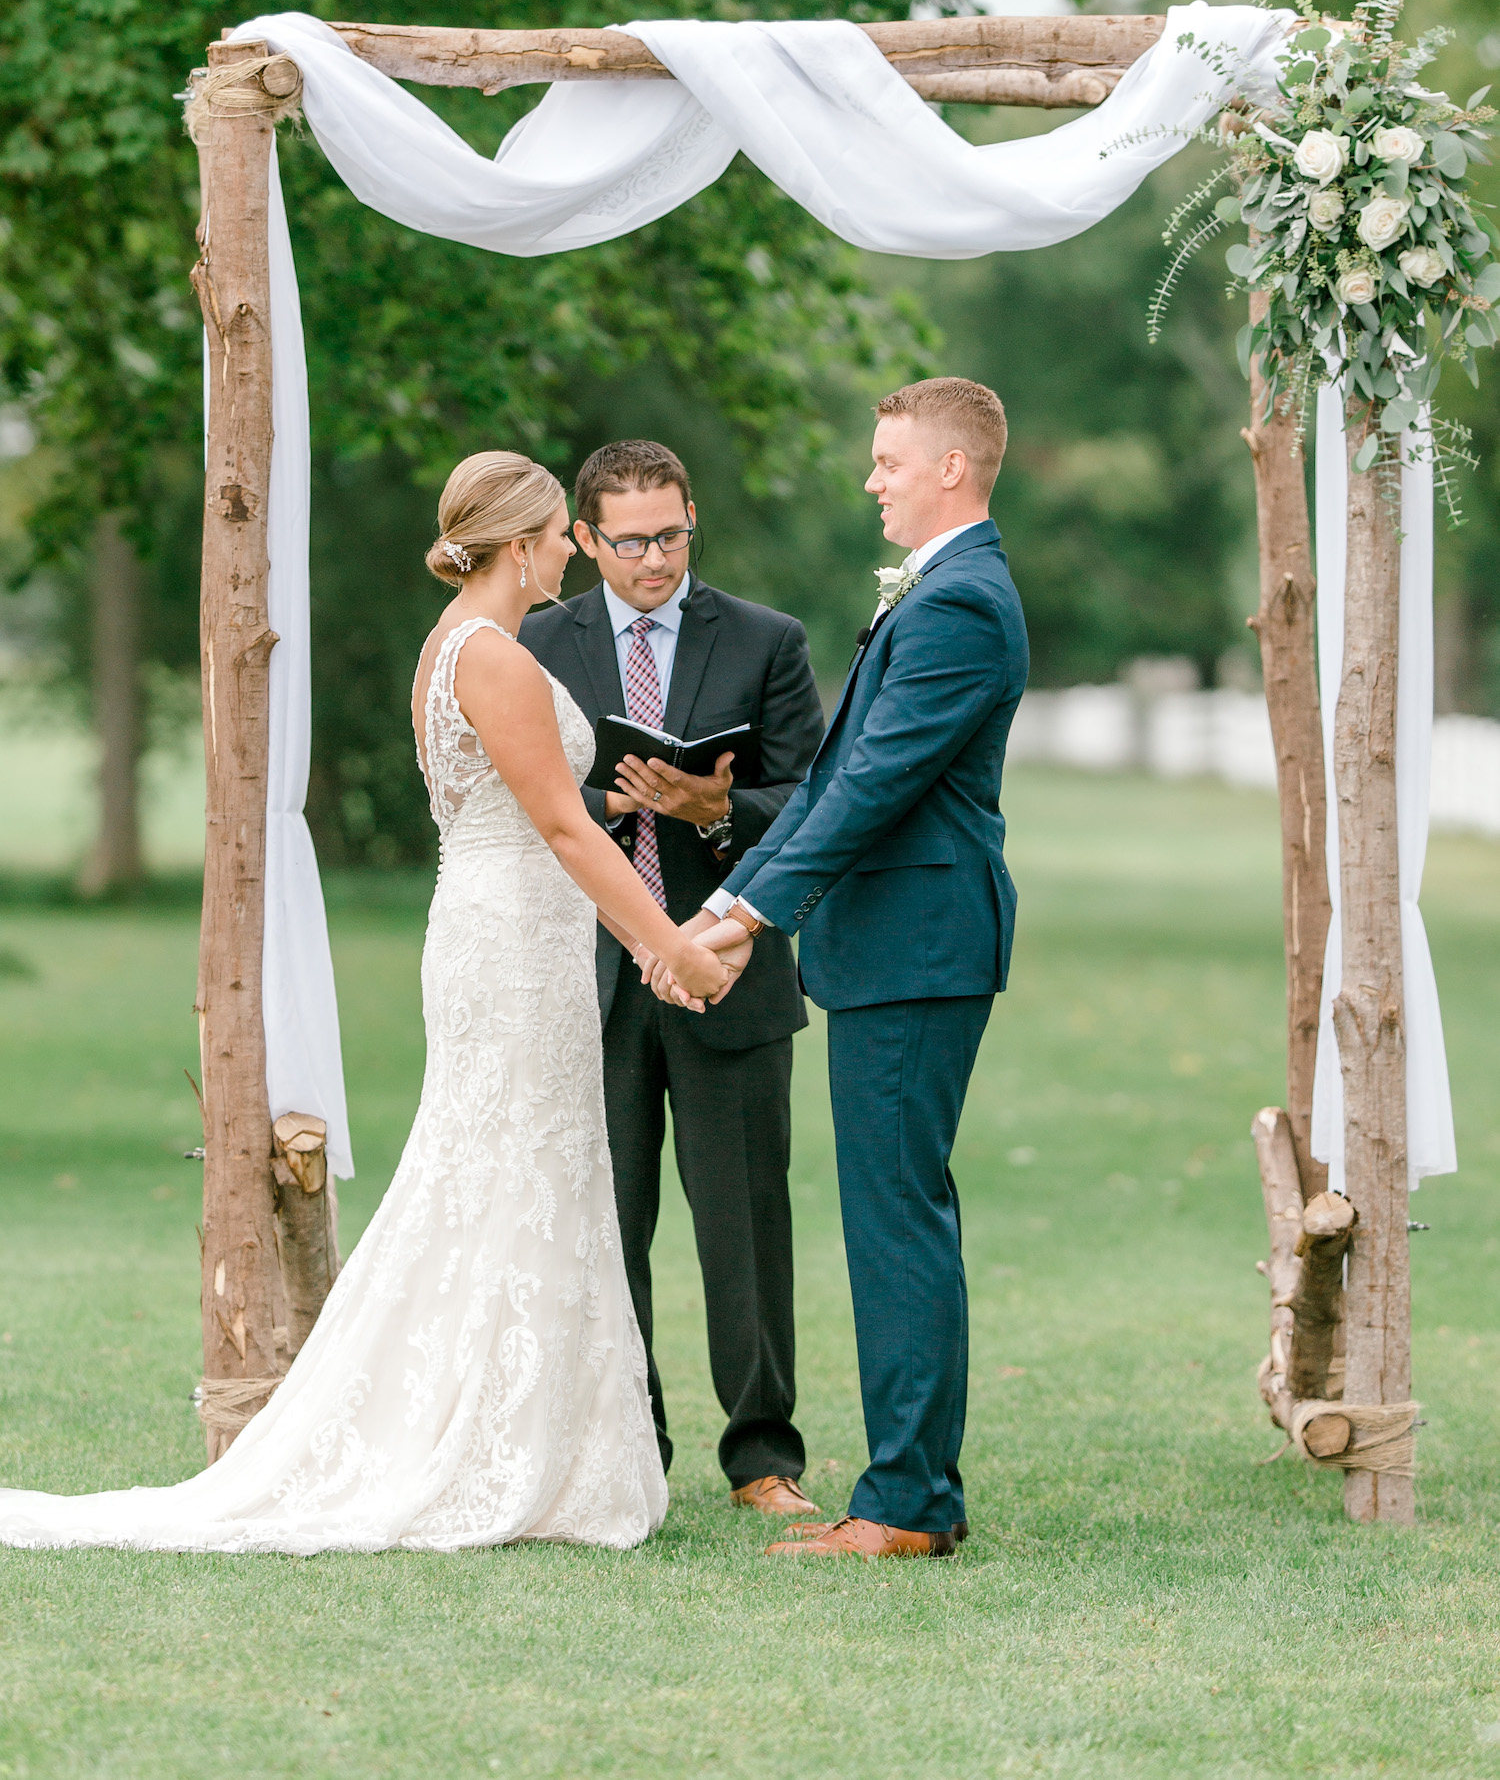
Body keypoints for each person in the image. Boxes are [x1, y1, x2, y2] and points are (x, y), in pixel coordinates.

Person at [0, 451, 736, 1555]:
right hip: (509, 944)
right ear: (525, 540)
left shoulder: (459, 647)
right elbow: (565, 824)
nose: (568, 556)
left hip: (513, 930)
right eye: (558, 537)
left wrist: (641, 935)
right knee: (507, 1169)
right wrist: (668, 941)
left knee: (522, 1171)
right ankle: (483, 1449)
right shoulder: (487, 656)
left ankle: (532, 1440)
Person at [663, 378, 1029, 1561]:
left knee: (895, 1223)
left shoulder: (961, 604)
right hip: (889, 948)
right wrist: (731, 901)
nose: (871, 480)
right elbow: (832, 776)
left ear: (952, 472)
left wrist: (750, 918)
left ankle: (909, 1505)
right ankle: (916, 1488)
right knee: (891, 1216)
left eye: (888, 461)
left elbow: (877, 788)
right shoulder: (937, 595)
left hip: (917, 949)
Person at [520, 440, 827, 1520]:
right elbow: (515, 799)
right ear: (587, 538)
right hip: (589, 976)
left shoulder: (764, 640)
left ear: (693, 515)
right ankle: (628, 1443)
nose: (655, 558)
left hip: (726, 969)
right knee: (609, 1222)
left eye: (672, 533)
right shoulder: (534, 641)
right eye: (631, 540)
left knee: (745, 1222)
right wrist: (609, 804)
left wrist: (714, 812)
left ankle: (762, 1459)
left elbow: (812, 800)